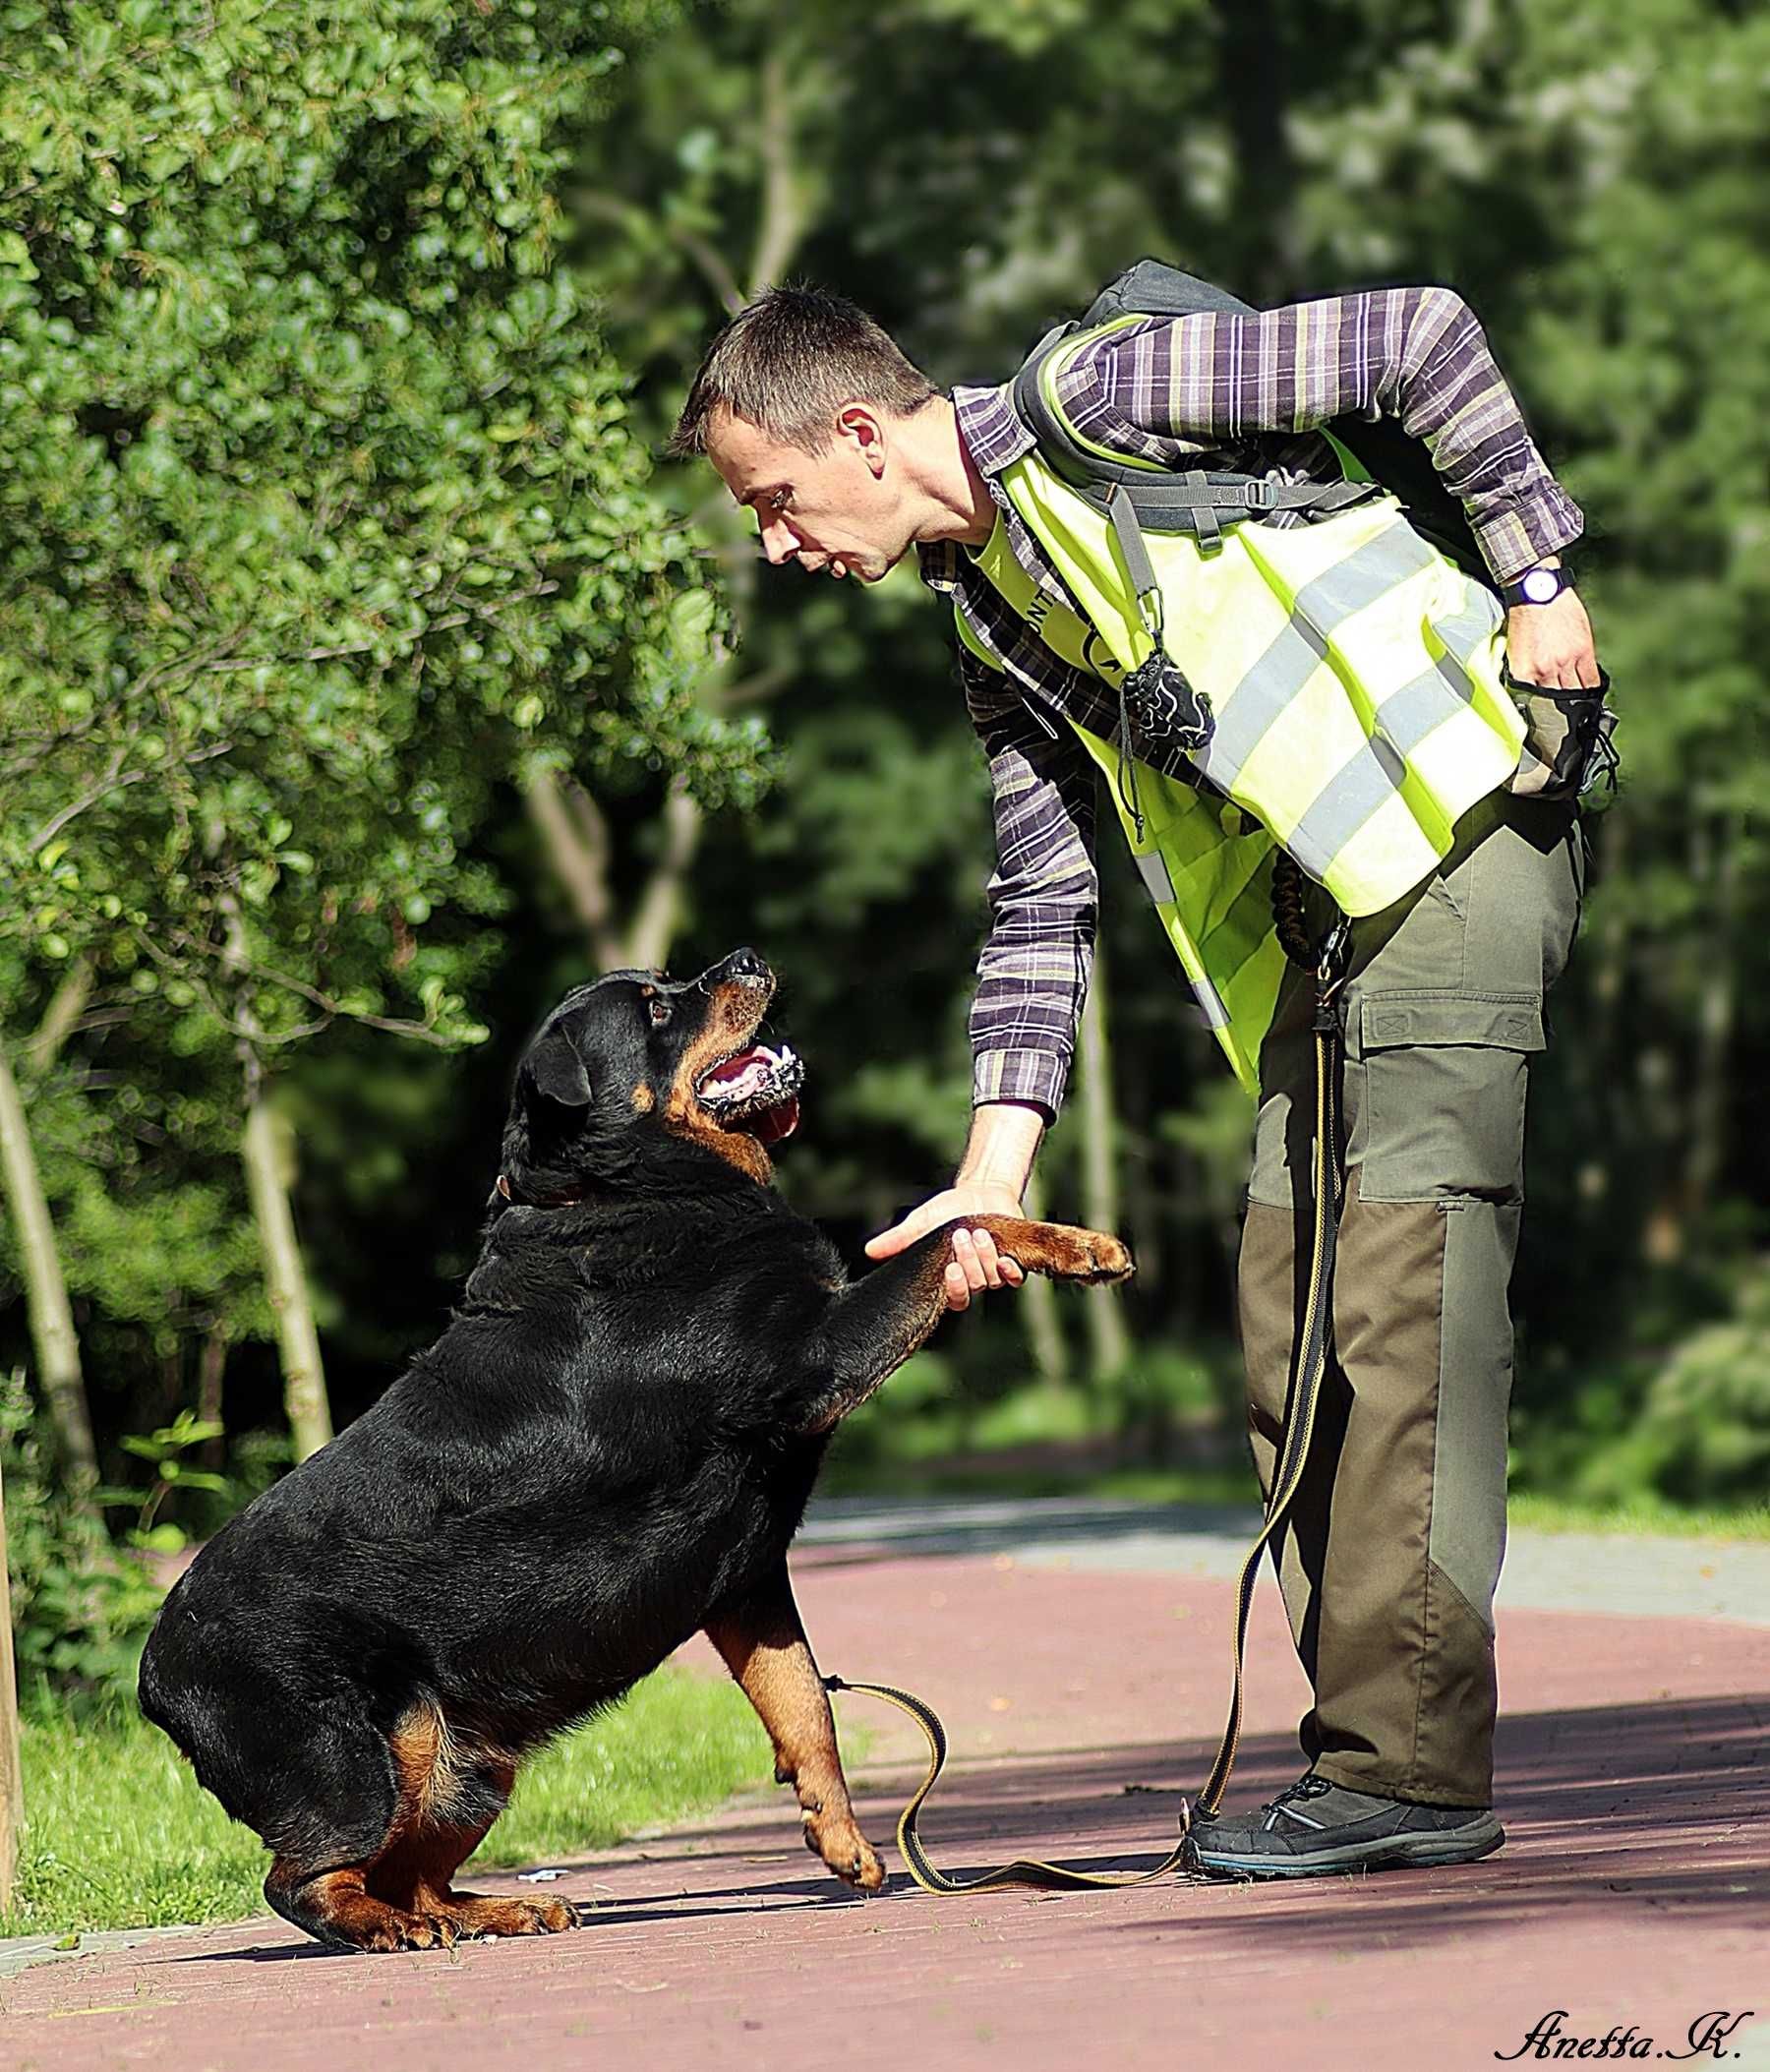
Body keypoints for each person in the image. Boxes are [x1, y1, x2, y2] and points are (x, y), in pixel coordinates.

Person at [670, 277, 1601, 1879]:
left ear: (859, 434)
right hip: (1336, 907)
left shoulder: (1098, 395)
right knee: (1286, 1317)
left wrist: (1533, 573)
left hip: (1469, 811)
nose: (777, 544)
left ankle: (1412, 1776)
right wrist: (992, 1175)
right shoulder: (985, 617)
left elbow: (1424, 335)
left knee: (1401, 1295)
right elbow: (1043, 900)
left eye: (773, 501)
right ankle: (1370, 1764)